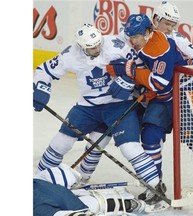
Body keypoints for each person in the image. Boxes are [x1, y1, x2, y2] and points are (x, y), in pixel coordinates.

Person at [33, 24, 162, 202]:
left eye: (98, 44)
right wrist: (41, 88)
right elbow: (44, 70)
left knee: (129, 147)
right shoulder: (70, 55)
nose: (97, 48)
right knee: (61, 142)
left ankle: (156, 186)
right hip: (87, 107)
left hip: (118, 104)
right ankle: (39, 179)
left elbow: (141, 67)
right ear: (81, 47)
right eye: (91, 47)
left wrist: (129, 80)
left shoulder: (116, 45)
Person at [105, 13, 190, 203]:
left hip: (181, 96)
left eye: (135, 36)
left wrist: (129, 71)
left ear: (148, 32)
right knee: (150, 137)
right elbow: (145, 72)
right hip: (160, 97)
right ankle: (155, 186)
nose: (132, 41)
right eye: (130, 36)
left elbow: (158, 82)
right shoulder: (142, 42)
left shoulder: (161, 48)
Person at [152, 1, 193, 168]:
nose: (170, 28)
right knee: (153, 135)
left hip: (187, 90)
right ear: (155, 19)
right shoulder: (147, 38)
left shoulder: (177, 38)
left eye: (173, 24)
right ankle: (155, 180)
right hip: (161, 94)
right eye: (167, 24)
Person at [33, 163, 146, 216]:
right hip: (46, 190)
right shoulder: (46, 185)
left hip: (44, 195)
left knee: (91, 204)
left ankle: (125, 204)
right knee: (93, 203)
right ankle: (127, 204)